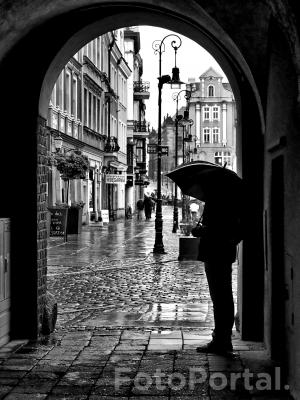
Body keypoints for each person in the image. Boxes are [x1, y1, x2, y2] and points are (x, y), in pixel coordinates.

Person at [191, 191, 243, 355]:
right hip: (221, 254)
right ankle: (222, 339)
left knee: (220, 298)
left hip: (216, 254)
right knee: (223, 297)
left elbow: (221, 229)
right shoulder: (227, 201)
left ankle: (221, 340)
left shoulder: (219, 202)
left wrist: (202, 231)